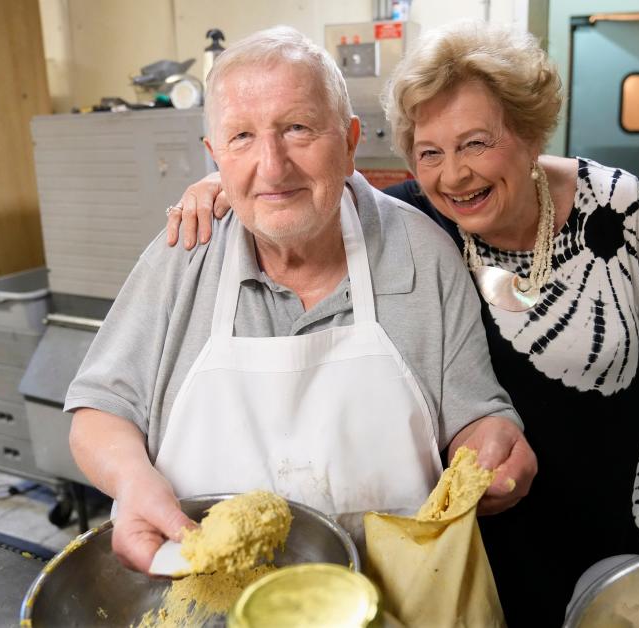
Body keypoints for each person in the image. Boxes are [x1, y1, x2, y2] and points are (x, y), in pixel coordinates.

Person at [166, 21, 639, 626]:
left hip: (603, 497)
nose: (454, 175)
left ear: (526, 133)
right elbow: (312, 183)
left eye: (475, 143)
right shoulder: (420, 224)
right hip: (482, 521)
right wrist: (223, 181)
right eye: (430, 153)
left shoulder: (618, 206)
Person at [66, 25, 537, 577]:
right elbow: (97, 414)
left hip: (395, 602)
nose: (272, 165)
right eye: (241, 137)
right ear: (213, 155)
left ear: (350, 141)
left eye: (297, 128)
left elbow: (474, 416)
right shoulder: (183, 254)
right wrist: (132, 478)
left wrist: (493, 445)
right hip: (207, 599)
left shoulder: (422, 253)